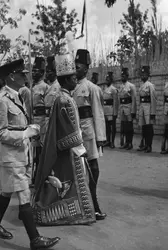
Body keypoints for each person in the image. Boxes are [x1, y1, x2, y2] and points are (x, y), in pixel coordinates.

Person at [0, 59, 60, 249]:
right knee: (23, 193)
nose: (25, 76)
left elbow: (17, 124)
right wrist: (25, 133)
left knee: (7, 191)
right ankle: (35, 239)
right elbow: (0, 133)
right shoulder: (1, 100)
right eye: (22, 74)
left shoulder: (18, 96)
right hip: (11, 156)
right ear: (12, 76)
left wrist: (29, 128)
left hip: (21, 153)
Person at [32, 53, 96, 226]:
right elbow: (65, 127)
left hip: (73, 145)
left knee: (71, 182)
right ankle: (69, 212)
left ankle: (81, 210)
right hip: (70, 148)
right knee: (70, 181)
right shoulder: (63, 99)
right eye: (74, 77)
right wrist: (77, 143)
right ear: (67, 80)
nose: (77, 80)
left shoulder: (66, 97)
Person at [73, 49, 107, 221]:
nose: (75, 69)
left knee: (93, 168)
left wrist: (100, 137)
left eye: (78, 67)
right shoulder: (70, 88)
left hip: (88, 134)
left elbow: (98, 113)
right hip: (74, 135)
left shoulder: (92, 88)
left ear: (86, 68)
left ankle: (94, 205)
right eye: (74, 66)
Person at [32, 57, 49, 184]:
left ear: (42, 72)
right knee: (35, 151)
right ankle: (35, 175)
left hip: (42, 121)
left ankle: (41, 175)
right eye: (33, 70)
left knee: (42, 151)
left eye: (36, 71)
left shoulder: (45, 87)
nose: (33, 73)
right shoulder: (32, 87)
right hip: (34, 121)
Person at [137, 66, 157, 153]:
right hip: (142, 108)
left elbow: (153, 99)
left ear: (148, 75)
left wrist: (153, 112)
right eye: (142, 75)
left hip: (148, 108)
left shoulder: (150, 85)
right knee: (144, 128)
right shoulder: (141, 86)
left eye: (144, 75)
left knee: (149, 128)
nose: (143, 76)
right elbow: (139, 99)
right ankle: (144, 144)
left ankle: (149, 146)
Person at [118, 67, 137, 150]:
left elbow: (134, 99)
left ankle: (130, 143)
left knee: (129, 127)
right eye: (122, 76)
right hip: (122, 108)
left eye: (124, 76)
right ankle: (126, 142)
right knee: (124, 127)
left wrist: (133, 111)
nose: (123, 77)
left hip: (128, 107)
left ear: (127, 76)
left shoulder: (131, 86)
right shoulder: (120, 86)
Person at [44, 55, 60, 134]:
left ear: (55, 72)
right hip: (47, 119)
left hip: (56, 119)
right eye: (46, 72)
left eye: (49, 71)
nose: (47, 74)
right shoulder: (47, 87)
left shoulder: (58, 86)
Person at [103, 72, 119, 148]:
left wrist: (115, 113)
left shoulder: (113, 89)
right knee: (107, 127)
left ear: (111, 80)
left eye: (108, 80)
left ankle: (112, 142)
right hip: (105, 110)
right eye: (106, 80)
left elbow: (116, 102)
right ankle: (108, 141)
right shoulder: (105, 89)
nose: (107, 81)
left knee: (113, 127)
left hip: (111, 110)